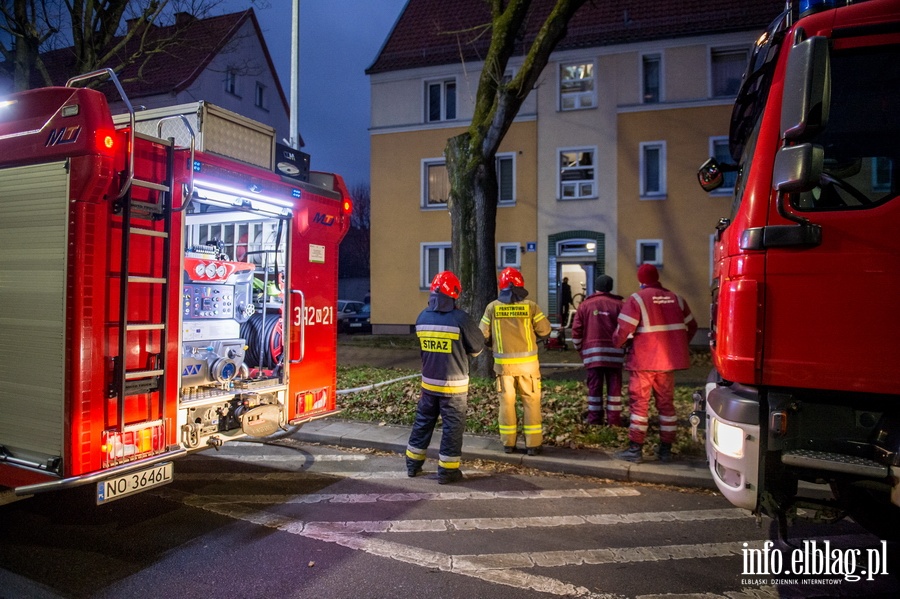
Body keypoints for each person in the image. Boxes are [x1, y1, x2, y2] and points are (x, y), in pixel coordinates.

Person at [612, 264, 697, 463]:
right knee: (666, 406)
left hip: (643, 361)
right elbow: (691, 326)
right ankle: (666, 450)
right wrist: (678, 346)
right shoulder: (677, 299)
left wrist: (617, 343)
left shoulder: (637, 299)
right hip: (667, 362)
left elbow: (623, 330)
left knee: (639, 406)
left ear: (641, 280)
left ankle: (635, 450)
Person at [405, 271, 484, 484]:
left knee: (422, 423)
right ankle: (447, 472)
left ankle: (412, 464)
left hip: (428, 385)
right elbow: (477, 347)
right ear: (454, 294)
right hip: (453, 388)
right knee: (452, 429)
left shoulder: (421, 317)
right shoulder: (461, 318)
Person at [480, 267, 552, 455]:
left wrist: (491, 343)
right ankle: (533, 444)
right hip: (528, 366)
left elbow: (482, 335)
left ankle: (508, 443)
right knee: (531, 402)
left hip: (504, 368)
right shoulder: (531, 306)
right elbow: (545, 330)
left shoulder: (492, 307)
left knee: (506, 403)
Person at [570, 275, 625, 426]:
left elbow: (576, 330)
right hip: (615, 354)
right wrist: (624, 347)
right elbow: (626, 329)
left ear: (596, 287)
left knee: (594, 387)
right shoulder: (620, 305)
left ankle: (594, 420)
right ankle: (614, 420)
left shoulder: (585, 305)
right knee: (615, 388)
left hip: (592, 355)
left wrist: (579, 348)